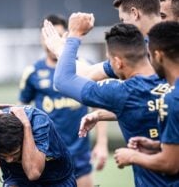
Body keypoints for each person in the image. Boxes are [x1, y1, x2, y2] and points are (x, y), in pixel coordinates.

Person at [43, 12, 173, 186]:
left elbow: (63, 80)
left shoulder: (122, 92)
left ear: (118, 62)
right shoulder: (170, 77)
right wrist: (102, 114)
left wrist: (73, 36)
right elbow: (147, 105)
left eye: (109, 60)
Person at [19, 14, 108, 187]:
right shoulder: (33, 72)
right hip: (47, 155)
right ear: (42, 39)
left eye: (58, 35)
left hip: (80, 155)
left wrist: (102, 143)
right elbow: (22, 112)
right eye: (48, 36)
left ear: (66, 37)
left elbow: (98, 106)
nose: (51, 41)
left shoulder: (86, 68)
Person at [113, 21, 179, 186]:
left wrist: (132, 156)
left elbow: (170, 164)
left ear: (158, 55)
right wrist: (157, 145)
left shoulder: (172, 99)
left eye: (149, 56)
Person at [0, 106, 76, 186]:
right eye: (3, 156)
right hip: (17, 178)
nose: (9, 160)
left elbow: (33, 173)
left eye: (14, 153)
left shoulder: (38, 121)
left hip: (58, 179)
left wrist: (26, 125)